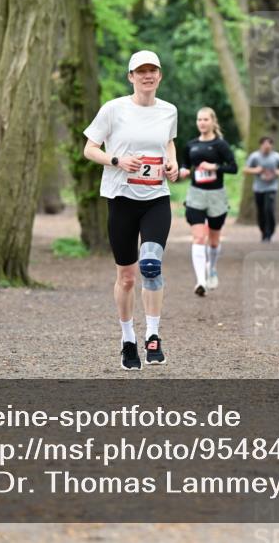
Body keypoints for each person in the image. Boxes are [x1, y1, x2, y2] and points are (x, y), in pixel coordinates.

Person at [83, 50, 178, 370]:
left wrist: (172, 162)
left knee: (151, 266)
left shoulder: (169, 111)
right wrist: (116, 160)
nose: (147, 76)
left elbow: (169, 142)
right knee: (126, 277)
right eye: (141, 72)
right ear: (131, 77)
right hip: (121, 198)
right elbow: (89, 149)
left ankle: (153, 336)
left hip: (156, 198)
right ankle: (127, 339)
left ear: (160, 76)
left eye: (153, 71)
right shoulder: (113, 109)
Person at [178, 107, 238, 296]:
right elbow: (185, 164)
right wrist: (184, 171)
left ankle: (211, 268)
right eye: (199, 120)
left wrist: (214, 167)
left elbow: (234, 168)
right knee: (198, 237)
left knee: (213, 241)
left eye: (205, 119)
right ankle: (200, 281)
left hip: (216, 196)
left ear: (213, 122)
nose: (202, 123)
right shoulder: (191, 145)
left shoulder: (220, 145)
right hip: (196, 194)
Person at [243, 136, 279, 243]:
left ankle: (270, 232)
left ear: (272, 145)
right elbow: (245, 169)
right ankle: (263, 232)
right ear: (260, 145)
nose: (267, 146)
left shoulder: (276, 157)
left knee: (269, 209)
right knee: (261, 211)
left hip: (271, 187)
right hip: (258, 188)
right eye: (264, 144)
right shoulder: (255, 157)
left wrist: (277, 172)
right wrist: (256, 170)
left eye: (269, 144)